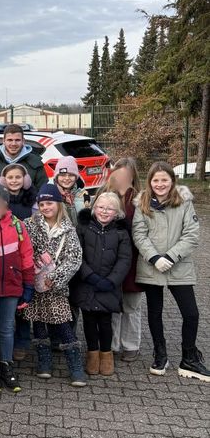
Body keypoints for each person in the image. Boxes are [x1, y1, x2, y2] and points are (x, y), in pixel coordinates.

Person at [132, 162, 208, 381]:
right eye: (156, 180)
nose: (160, 184)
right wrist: (155, 257)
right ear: (150, 182)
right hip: (151, 265)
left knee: (191, 313)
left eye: (164, 180)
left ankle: (189, 358)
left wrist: (171, 256)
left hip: (178, 266)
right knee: (155, 312)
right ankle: (160, 354)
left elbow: (191, 234)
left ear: (172, 181)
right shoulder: (143, 204)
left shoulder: (184, 202)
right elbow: (139, 234)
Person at [24, 184, 86, 386]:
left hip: (56, 286)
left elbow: (74, 259)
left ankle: (75, 365)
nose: (45, 207)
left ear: (58, 204)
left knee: (62, 322)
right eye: (41, 204)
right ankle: (44, 361)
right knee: (39, 323)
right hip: (35, 284)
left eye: (49, 203)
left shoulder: (68, 230)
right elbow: (25, 250)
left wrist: (56, 277)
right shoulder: (30, 225)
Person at [0, 185, 35, 393]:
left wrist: (28, 284)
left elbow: (27, 256)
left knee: (8, 327)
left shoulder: (18, 226)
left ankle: (6, 364)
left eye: (2, 203)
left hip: (12, 284)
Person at [71, 193, 132, 377]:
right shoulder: (83, 228)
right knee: (89, 322)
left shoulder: (121, 233)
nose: (104, 211)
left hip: (109, 285)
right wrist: (90, 276)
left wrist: (111, 281)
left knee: (106, 323)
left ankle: (106, 354)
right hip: (87, 283)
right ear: (94, 208)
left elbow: (124, 260)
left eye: (110, 208)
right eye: (101, 207)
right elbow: (77, 255)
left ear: (117, 212)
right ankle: (92, 354)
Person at [99, 158, 144, 361]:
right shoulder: (105, 195)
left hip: (134, 259)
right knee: (113, 304)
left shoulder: (141, 199)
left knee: (131, 305)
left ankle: (131, 345)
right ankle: (113, 344)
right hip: (109, 259)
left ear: (133, 176)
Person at [0, 124, 47, 190]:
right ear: (3, 141)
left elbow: (43, 192)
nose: (13, 144)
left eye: (17, 140)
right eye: (10, 140)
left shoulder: (36, 165)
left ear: (23, 141)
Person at [51, 157, 90, 226]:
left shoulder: (83, 195)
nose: (67, 178)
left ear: (76, 177)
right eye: (62, 175)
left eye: (71, 175)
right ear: (57, 177)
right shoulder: (51, 196)